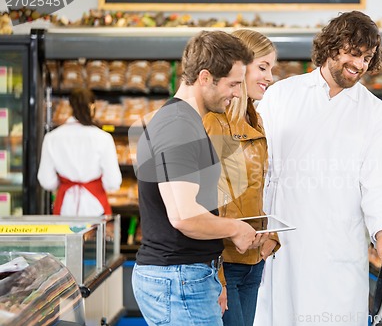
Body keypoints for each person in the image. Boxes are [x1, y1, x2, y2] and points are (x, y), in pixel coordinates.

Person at [253, 11, 382, 326]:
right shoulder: (281, 94)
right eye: (353, 53)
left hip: (336, 243)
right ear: (331, 47)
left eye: (366, 57)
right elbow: (256, 164)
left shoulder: (376, 113)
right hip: (282, 239)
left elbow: (380, 185)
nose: (360, 64)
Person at [131, 30, 263, 326]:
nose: (238, 93)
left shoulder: (181, 120)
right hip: (178, 281)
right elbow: (184, 216)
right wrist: (235, 229)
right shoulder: (179, 126)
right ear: (205, 78)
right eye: (232, 84)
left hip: (185, 278)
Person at [202, 29, 280, 326]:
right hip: (225, 264)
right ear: (238, 66)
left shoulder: (254, 118)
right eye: (263, 67)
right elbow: (210, 202)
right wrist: (217, 276)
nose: (269, 77)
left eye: (271, 68)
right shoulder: (214, 122)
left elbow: (253, 189)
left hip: (252, 260)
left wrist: (269, 236)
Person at [37, 88, 122, 216]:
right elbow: (113, 182)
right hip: (96, 208)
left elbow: (46, 180)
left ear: (70, 106)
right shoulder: (103, 138)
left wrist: (64, 183)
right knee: (95, 236)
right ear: (92, 107)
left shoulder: (52, 138)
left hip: (65, 207)